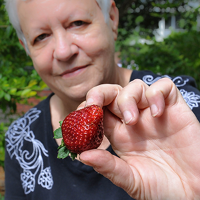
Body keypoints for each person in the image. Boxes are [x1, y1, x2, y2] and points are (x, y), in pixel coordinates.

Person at [4, 0, 200, 199]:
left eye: (77, 23)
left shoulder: (181, 110)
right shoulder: (21, 139)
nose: (63, 51)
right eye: (41, 36)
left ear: (112, 19)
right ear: (27, 48)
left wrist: (193, 193)